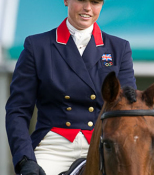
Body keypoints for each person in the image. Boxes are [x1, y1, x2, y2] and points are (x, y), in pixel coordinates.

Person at [5, 0, 137, 175]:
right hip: (54, 147)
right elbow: (17, 110)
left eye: (95, 2)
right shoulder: (37, 46)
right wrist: (25, 159)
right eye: (82, 0)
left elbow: (129, 109)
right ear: (66, 1)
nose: (88, 8)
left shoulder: (119, 48)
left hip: (103, 145)